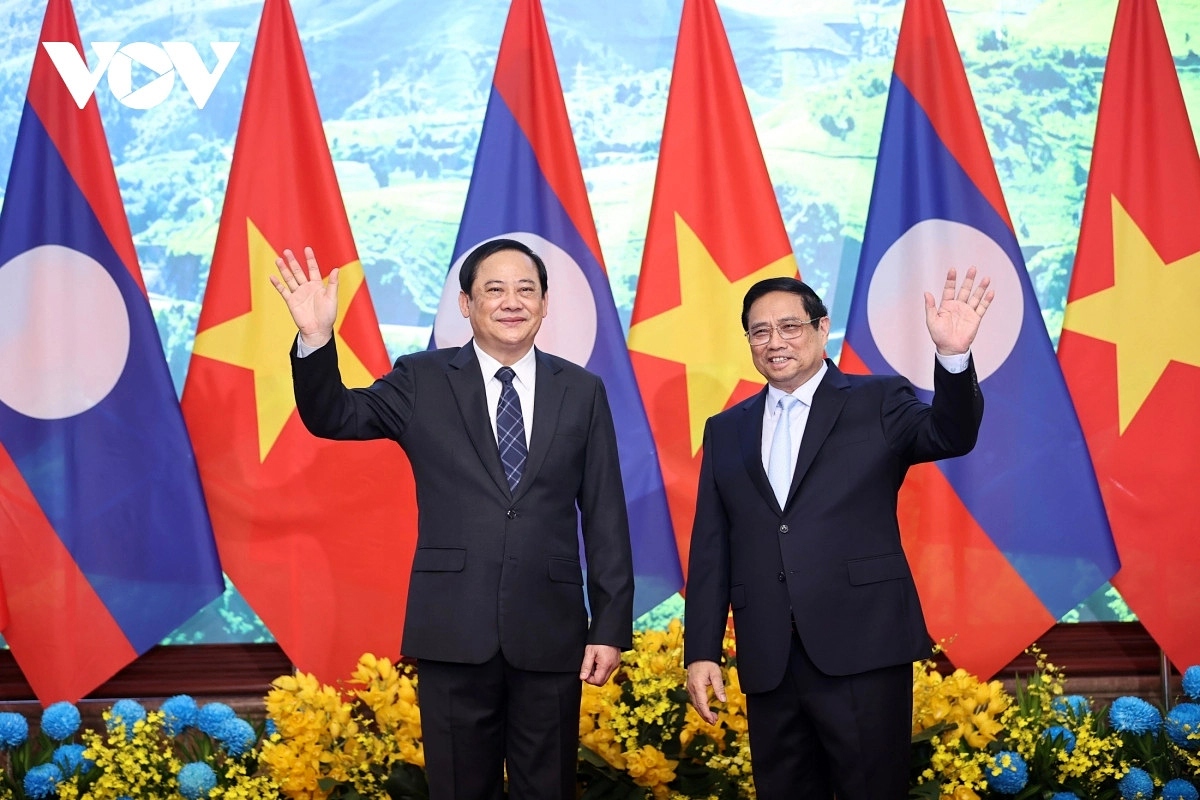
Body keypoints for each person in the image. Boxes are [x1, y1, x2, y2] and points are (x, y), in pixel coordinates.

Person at [271, 238, 635, 800]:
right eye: (494, 289)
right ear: (466, 304)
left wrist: (609, 626)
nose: (511, 302)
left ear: (544, 304)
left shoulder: (581, 390)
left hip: (551, 631)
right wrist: (317, 339)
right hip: (452, 631)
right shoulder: (422, 379)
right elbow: (336, 415)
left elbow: (606, 513)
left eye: (525, 290)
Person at [683, 268, 994, 799]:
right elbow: (713, 547)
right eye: (760, 331)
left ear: (822, 328)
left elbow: (951, 433)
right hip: (769, 658)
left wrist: (953, 358)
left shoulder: (877, 400)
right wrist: (701, 650)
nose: (775, 342)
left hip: (863, 649)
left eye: (789, 326)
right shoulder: (726, 428)